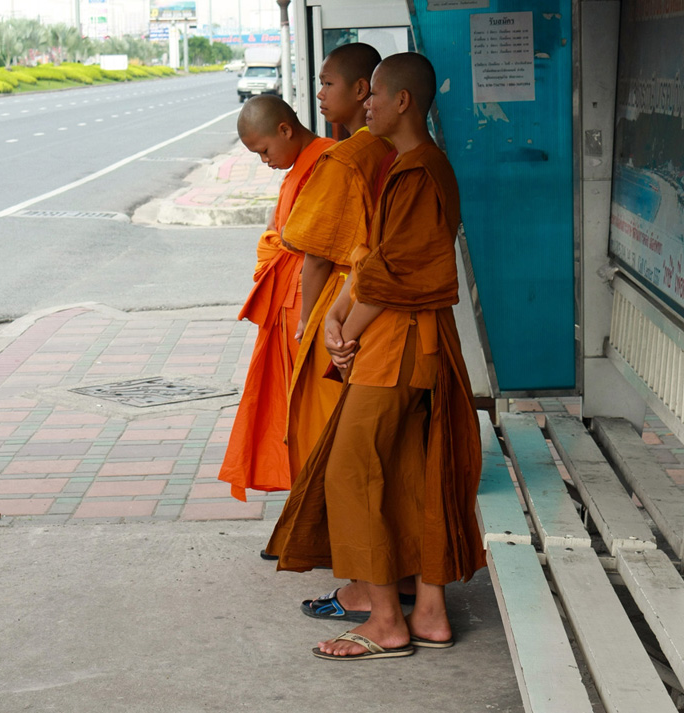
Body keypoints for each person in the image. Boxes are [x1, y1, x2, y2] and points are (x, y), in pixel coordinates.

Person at [265, 52, 486, 661]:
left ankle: (386, 620)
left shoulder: (419, 170)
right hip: (407, 337)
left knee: (350, 469)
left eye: (375, 97)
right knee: (417, 468)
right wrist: (340, 308)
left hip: (399, 342)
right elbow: (378, 256)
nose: (366, 105)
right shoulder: (412, 166)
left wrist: (342, 324)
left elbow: (398, 272)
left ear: (402, 102)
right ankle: (432, 614)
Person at [283, 42, 395, 489]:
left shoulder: (345, 158)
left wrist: (310, 318)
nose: (320, 94)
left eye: (327, 83)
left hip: (343, 299)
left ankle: (322, 525)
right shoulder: (396, 146)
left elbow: (315, 255)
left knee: (324, 418)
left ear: (361, 88)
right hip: (386, 301)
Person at [217, 95, 335, 502]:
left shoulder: (327, 162)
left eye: (265, 150)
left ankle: (319, 517)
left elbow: (318, 249)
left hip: (311, 307)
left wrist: (310, 317)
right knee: (289, 416)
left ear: (285, 129)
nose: (264, 161)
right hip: (289, 307)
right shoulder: (299, 168)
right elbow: (283, 231)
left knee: (314, 416)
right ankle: (305, 511)